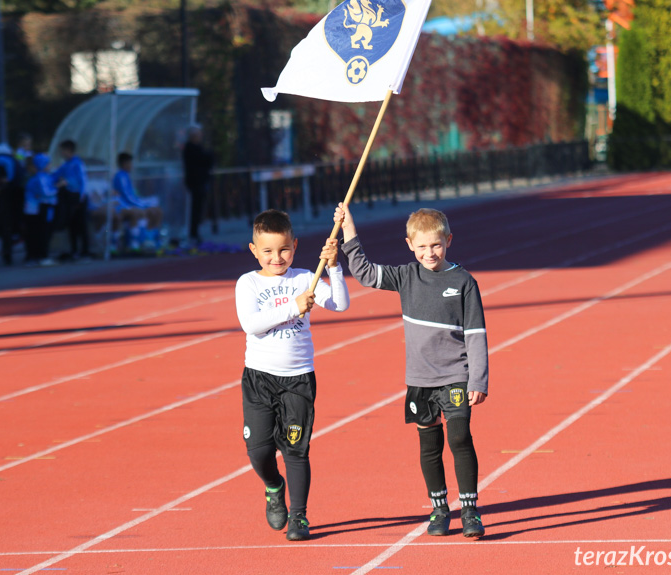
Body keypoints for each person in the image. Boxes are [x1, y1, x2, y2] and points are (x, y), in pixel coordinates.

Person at [336, 203, 488, 539]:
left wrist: (478, 378)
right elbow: (364, 272)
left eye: (435, 245)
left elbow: (476, 334)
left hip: (455, 376)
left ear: (448, 240)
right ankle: (438, 508)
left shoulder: (463, 281)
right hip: (420, 380)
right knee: (429, 445)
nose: (429, 252)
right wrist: (349, 230)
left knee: (460, 438)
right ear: (409, 245)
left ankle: (470, 509)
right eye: (421, 246)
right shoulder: (406, 276)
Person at [235, 209, 350, 541]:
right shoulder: (249, 283)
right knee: (258, 450)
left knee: (296, 449)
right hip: (259, 378)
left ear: (295, 246)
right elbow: (251, 324)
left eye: (283, 249)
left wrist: (333, 267)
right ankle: (274, 485)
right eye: (268, 251)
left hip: (298, 379)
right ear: (254, 250)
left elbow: (340, 304)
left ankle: (299, 516)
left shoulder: (304, 278)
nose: (277, 257)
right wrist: (293, 307)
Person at [112, 152, 164, 251]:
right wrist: (144, 205)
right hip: (124, 206)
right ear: (124, 164)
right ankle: (136, 243)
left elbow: (133, 196)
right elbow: (127, 197)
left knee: (157, 211)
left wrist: (145, 203)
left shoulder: (126, 175)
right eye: (130, 163)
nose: (132, 166)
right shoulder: (120, 176)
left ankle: (152, 239)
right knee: (143, 212)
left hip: (130, 204)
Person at [52, 140, 91, 260]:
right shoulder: (65, 165)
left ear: (69, 150)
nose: (61, 153)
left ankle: (85, 252)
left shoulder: (77, 164)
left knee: (82, 225)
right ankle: (74, 251)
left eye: (63, 150)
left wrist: (81, 198)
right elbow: (55, 176)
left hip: (78, 199)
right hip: (69, 199)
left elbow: (82, 182)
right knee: (72, 225)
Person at [22, 153, 58, 266]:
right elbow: (46, 193)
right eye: (48, 163)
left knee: (37, 232)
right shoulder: (40, 177)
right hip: (37, 209)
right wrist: (58, 187)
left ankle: (35, 256)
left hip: (37, 209)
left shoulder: (43, 177)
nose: (50, 165)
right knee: (40, 232)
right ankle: (41, 256)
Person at [182, 125, 214, 245]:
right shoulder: (190, 148)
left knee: (199, 208)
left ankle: (195, 232)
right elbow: (201, 161)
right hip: (195, 182)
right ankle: (192, 233)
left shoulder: (199, 148)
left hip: (201, 181)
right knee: (194, 209)